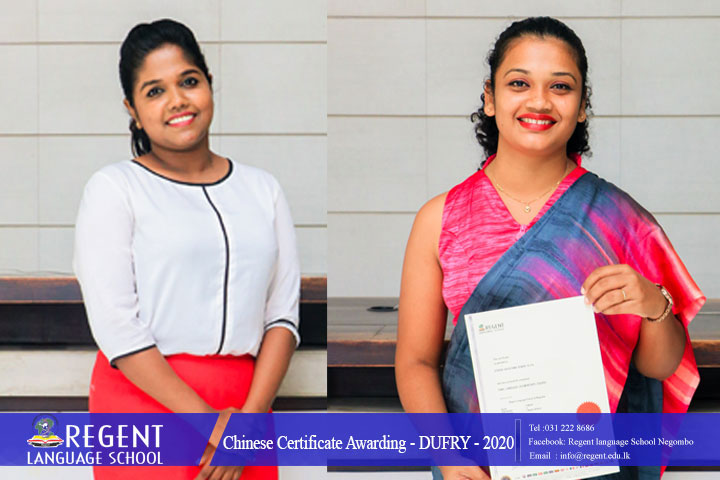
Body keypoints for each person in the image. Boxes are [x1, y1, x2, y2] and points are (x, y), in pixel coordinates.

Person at [395, 17, 705, 480]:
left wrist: (652, 304)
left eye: (560, 86)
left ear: (582, 107)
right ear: (490, 97)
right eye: (519, 83)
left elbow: (660, 367)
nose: (539, 101)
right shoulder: (439, 220)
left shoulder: (620, 219)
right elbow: (415, 362)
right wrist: (449, 457)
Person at [73, 19, 300, 480]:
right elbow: (117, 326)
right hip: (144, 404)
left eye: (189, 81)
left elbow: (282, 316)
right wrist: (211, 425)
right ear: (133, 110)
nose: (177, 100)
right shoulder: (114, 189)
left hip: (247, 407)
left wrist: (246, 425)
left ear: (209, 84)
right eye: (155, 91)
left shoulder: (263, 190)